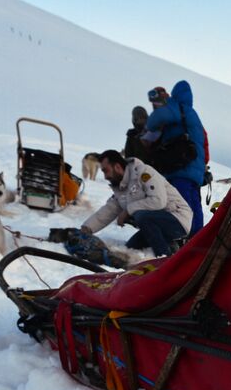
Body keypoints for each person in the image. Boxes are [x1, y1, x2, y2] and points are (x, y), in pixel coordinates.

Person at [80, 149, 191, 258]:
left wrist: (128, 210)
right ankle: (171, 246)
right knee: (131, 248)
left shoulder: (144, 172)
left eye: (106, 171)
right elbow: (108, 210)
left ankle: (163, 258)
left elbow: (158, 201)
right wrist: (86, 229)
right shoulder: (120, 188)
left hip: (178, 218)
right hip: (155, 224)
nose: (105, 176)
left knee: (141, 215)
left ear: (117, 167)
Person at [144, 80, 207, 234]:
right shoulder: (192, 114)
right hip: (195, 169)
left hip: (181, 167)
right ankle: (197, 238)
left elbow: (154, 120)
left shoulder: (177, 107)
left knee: (181, 205)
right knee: (194, 205)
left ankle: (185, 240)